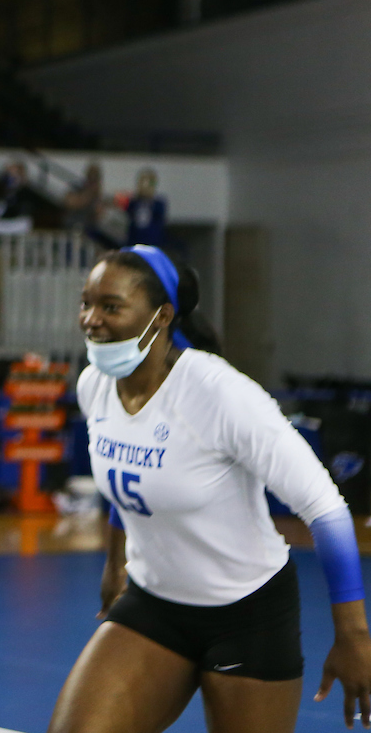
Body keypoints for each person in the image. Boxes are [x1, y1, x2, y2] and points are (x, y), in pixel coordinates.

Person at [49, 245, 371, 733]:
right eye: (85, 303)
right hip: (154, 604)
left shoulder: (220, 394)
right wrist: (116, 565)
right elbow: (128, 480)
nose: (91, 319)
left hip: (247, 616)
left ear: (161, 316)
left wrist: (354, 636)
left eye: (110, 306)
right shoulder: (94, 385)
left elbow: (325, 508)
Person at [124, 168, 167, 247]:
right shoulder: (133, 203)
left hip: (151, 242)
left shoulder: (158, 204)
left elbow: (160, 221)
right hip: (134, 242)